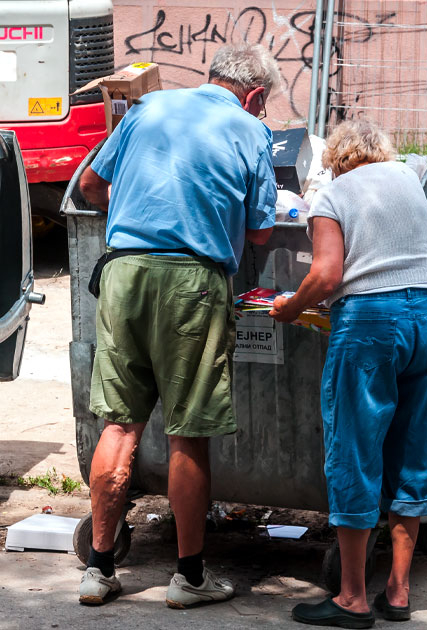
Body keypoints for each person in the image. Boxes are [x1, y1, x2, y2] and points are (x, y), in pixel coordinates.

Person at [76, 43, 282, 608]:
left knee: (118, 425)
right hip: (192, 281)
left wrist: (136, 214)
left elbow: (90, 186)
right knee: (186, 431)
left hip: (123, 274)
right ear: (256, 95)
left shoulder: (148, 108)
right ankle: (189, 578)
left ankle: (99, 570)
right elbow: (262, 233)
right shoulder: (249, 129)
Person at [269, 119, 427, 628]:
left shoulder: (334, 193)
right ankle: (398, 590)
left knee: (355, 449)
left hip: (373, 322)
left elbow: (327, 274)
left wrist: (291, 306)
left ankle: (351, 598)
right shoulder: (409, 180)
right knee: (415, 450)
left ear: (337, 158)